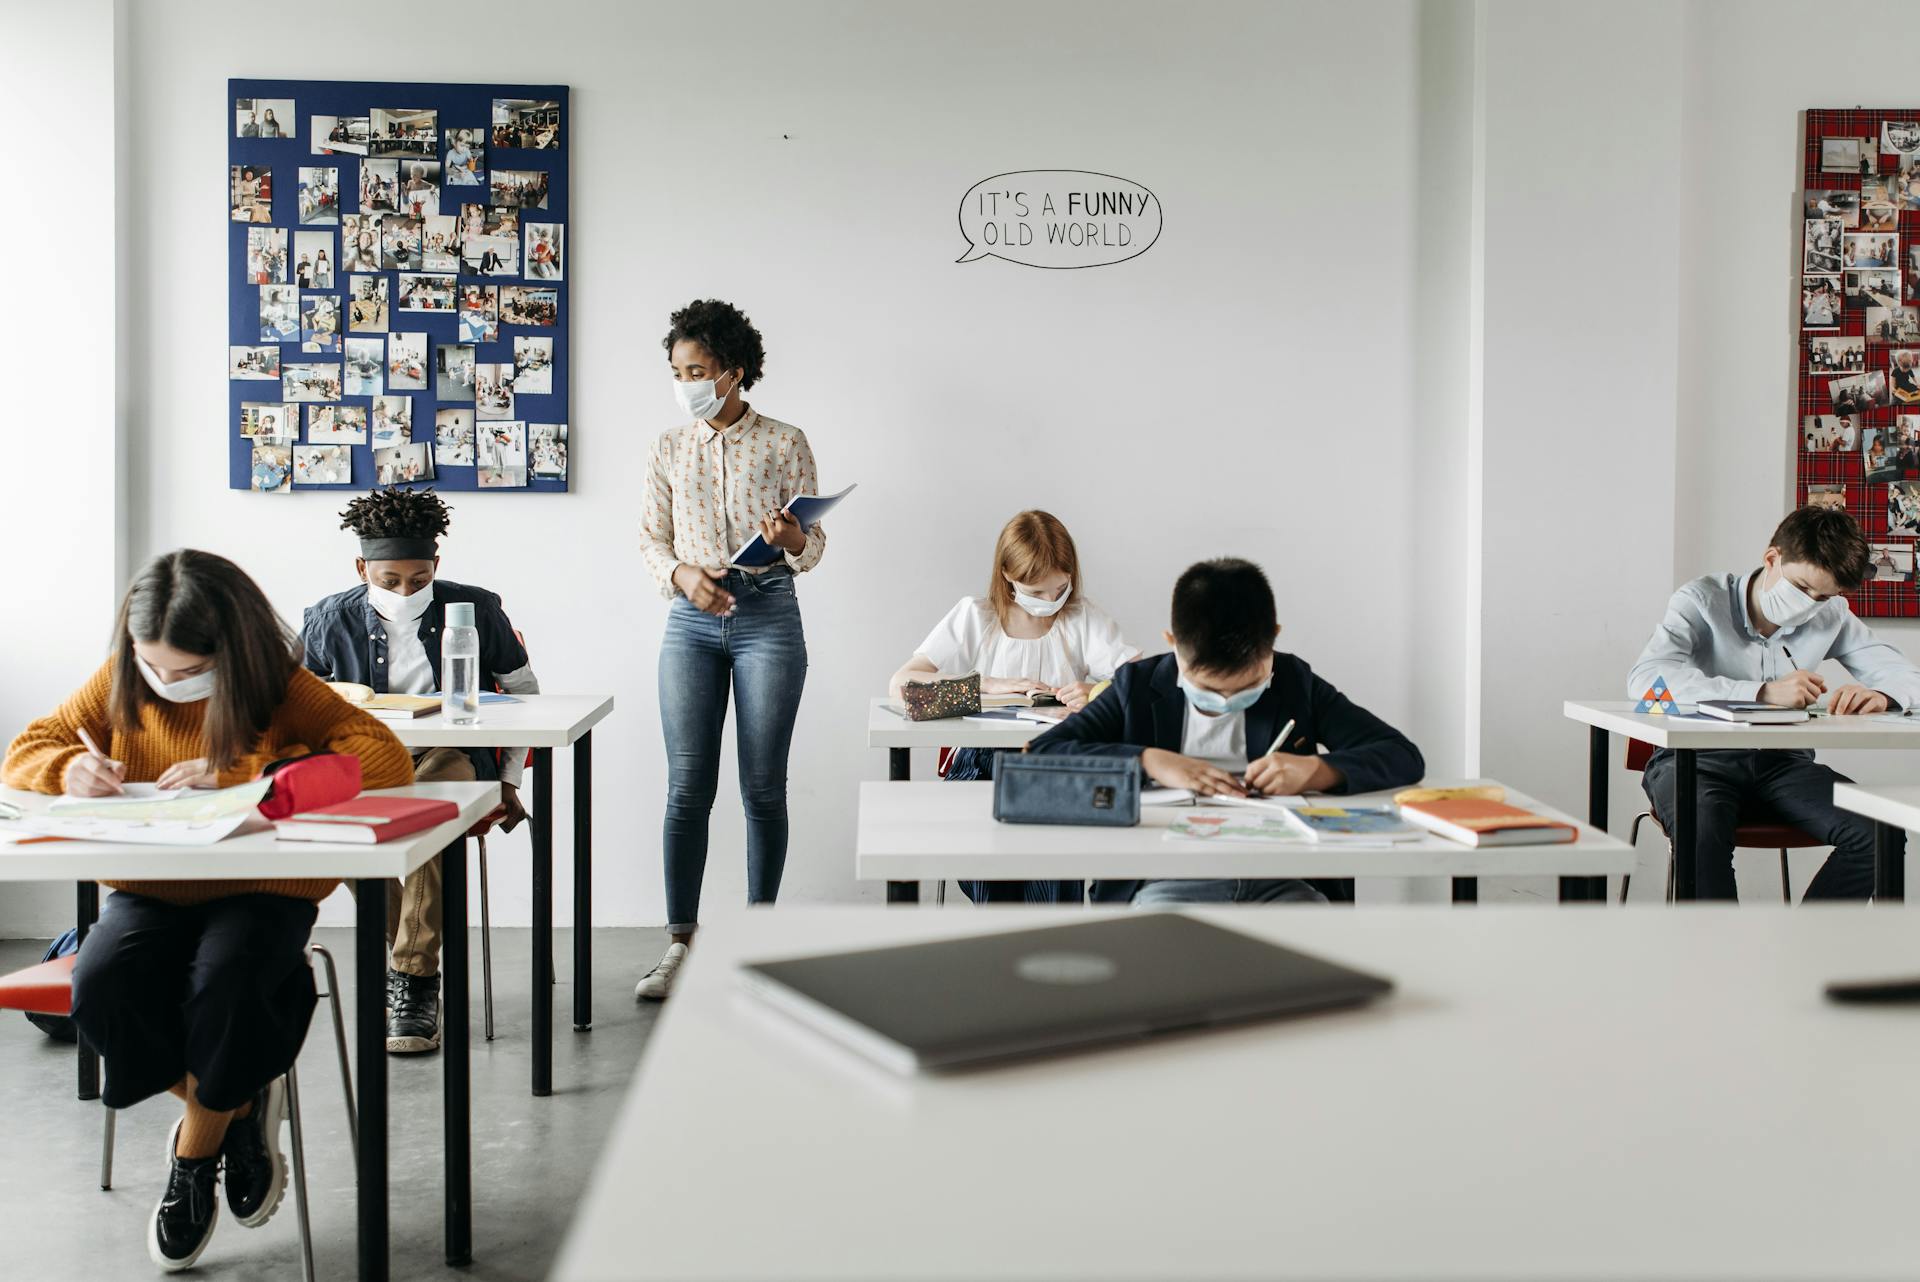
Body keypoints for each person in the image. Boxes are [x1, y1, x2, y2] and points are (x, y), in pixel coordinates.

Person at [2, 550, 413, 1270]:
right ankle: (239, 1108)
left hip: (262, 890)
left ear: (231, 649)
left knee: (227, 984)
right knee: (99, 989)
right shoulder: (121, 678)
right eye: (150, 661)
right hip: (152, 884)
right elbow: (29, 748)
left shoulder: (276, 685)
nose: (167, 680)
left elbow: (381, 757)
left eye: (187, 671)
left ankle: (194, 1157)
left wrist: (249, 774)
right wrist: (66, 768)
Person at [1029, 557, 1424, 906]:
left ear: (1274, 638)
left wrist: (1318, 771)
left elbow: (1401, 754)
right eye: (1208, 686)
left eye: (1246, 686)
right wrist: (1149, 761)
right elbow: (1040, 759)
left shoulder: (1294, 683)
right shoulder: (1138, 685)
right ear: (1172, 643)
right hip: (1165, 880)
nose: (1226, 699)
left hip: (1283, 879)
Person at [301, 488, 540, 1052]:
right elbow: (294, 709)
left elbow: (525, 694)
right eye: (388, 581)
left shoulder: (477, 608)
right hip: (366, 760)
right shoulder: (326, 619)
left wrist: (510, 780)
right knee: (343, 827)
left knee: (429, 815)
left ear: (436, 565)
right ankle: (414, 959)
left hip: (454, 757)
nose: (405, 592)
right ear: (362, 568)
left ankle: (412, 979)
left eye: (418, 579)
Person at [636, 299, 824, 1000]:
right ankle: (680, 942)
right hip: (690, 621)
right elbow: (651, 539)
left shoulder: (784, 441)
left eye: (698, 370)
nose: (685, 382)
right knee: (687, 789)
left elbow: (815, 540)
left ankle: (757, 944)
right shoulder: (667, 447)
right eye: (677, 370)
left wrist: (792, 540)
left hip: (767, 612)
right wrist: (683, 576)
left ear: (733, 372)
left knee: (761, 786)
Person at [1627, 507, 1920, 901]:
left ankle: (1804, 957)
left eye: (1824, 596)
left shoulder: (1830, 614)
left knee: (1880, 832)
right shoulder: (1701, 600)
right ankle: (1718, 960)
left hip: (1783, 765)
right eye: (1802, 588)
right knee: (1702, 832)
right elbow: (1645, 683)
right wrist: (1761, 693)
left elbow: (1908, 678)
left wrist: (1883, 694)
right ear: (1772, 559)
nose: (1810, 605)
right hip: (1694, 762)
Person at [887, 510, 1139, 903]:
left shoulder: (1081, 617)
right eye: (1037, 593)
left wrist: (1095, 690)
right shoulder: (977, 615)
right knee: (989, 853)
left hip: (1055, 763)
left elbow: (1140, 680)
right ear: (1007, 575)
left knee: (1053, 858)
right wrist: (987, 686)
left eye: (1060, 589)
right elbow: (903, 686)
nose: (1051, 602)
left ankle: (1047, 941)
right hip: (982, 764)